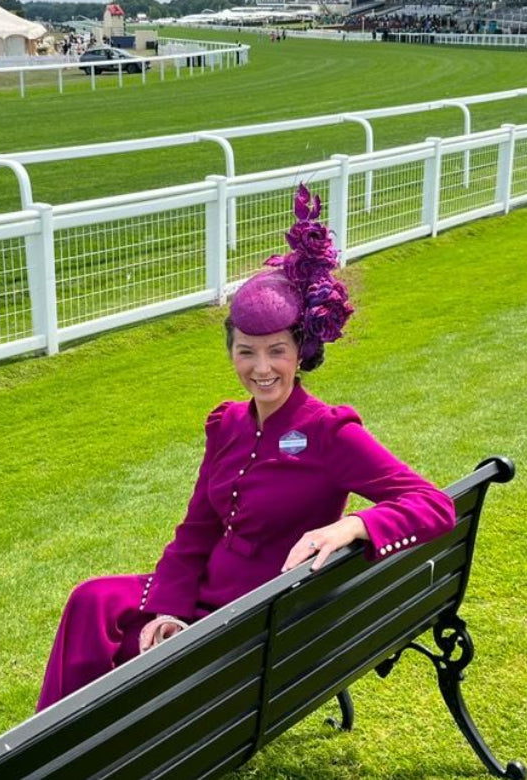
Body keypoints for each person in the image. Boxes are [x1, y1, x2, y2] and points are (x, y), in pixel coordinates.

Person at [36, 184, 455, 711]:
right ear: (231, 352)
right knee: (93, 600)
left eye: (277, 351)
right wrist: (164, 613)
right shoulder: (227, 425)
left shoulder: (329, 432)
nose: (261, 368)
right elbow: (195, 534)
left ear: (300, 352)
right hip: (207, 596)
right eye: (246, 352)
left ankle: (77, 746)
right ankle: (61, 743)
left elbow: (433, 504)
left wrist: (354, 524)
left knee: (99, 621)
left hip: (255, 618)